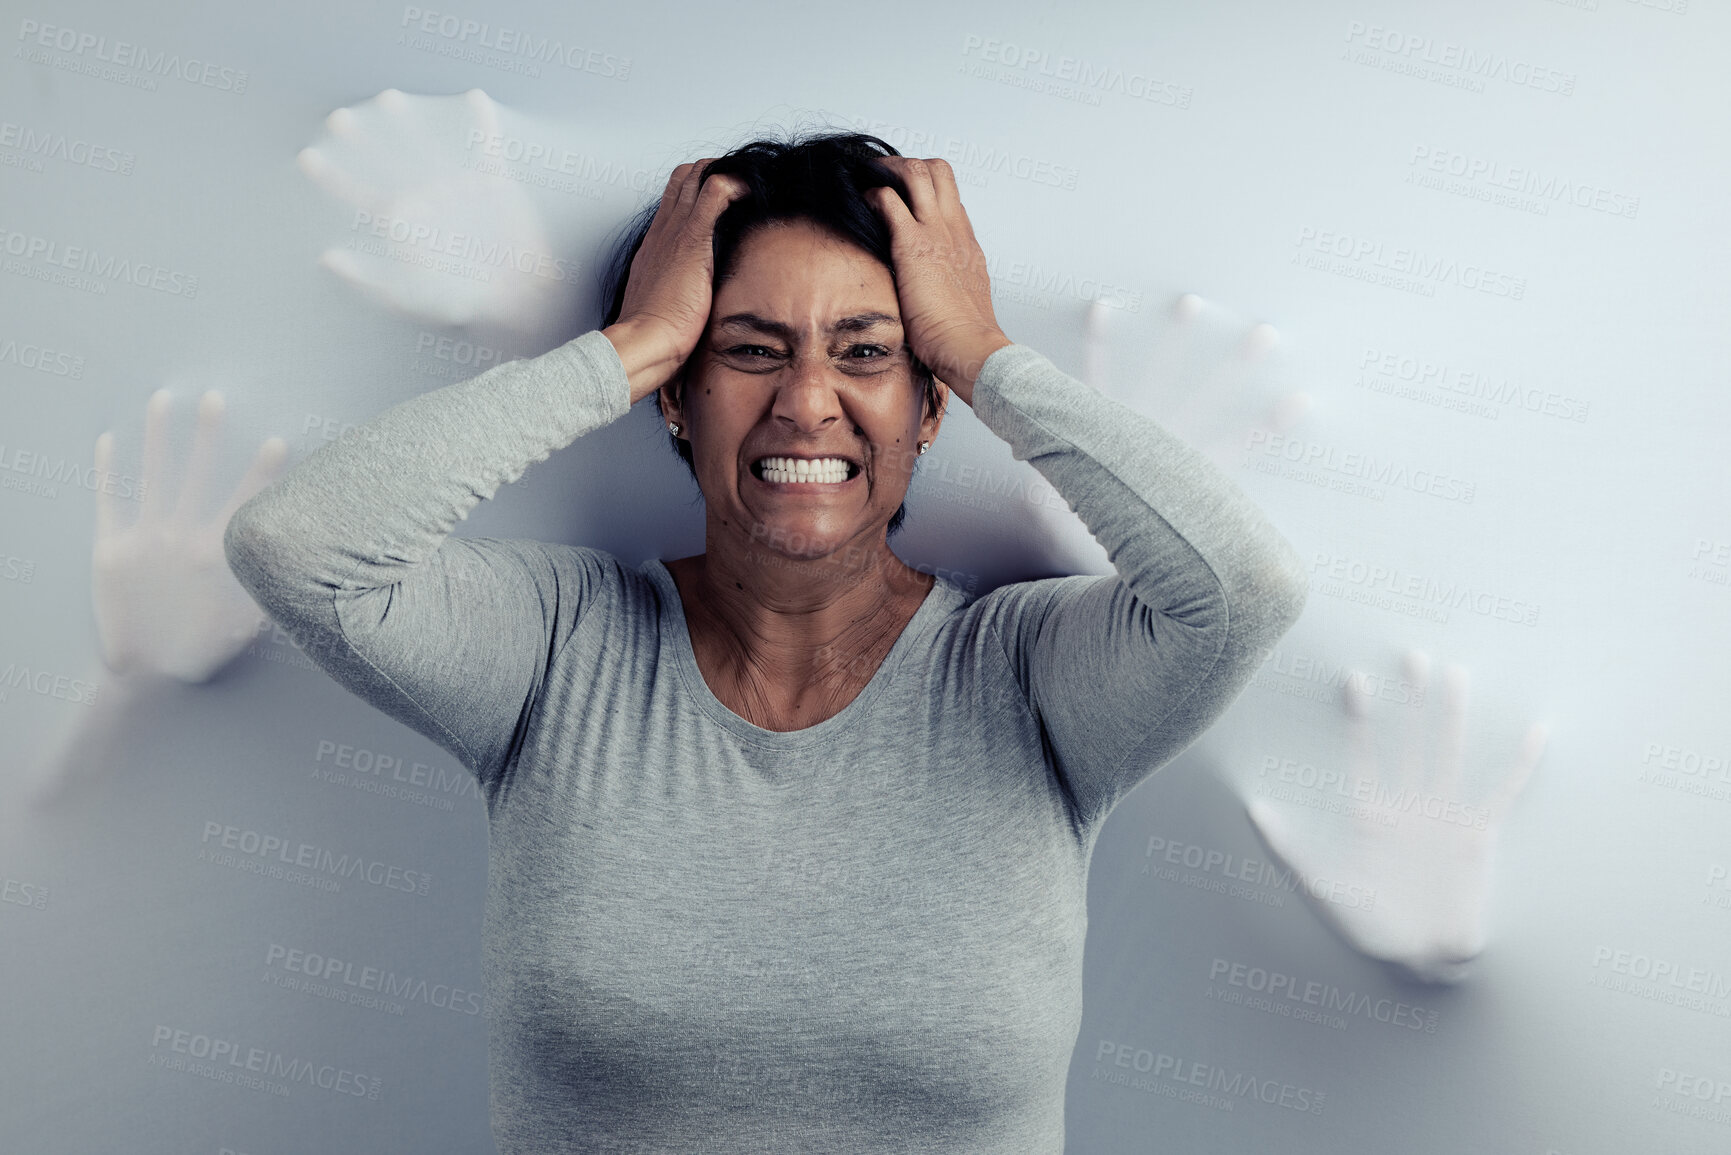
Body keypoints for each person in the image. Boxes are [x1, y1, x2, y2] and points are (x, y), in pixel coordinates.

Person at [223, 131, 1308, 1154]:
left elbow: (1240, 591)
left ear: (928, 408)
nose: (806, 402)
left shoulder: (1028, 676)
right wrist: (627, 346)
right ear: (678, 401)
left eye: (867, 353)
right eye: (749, 350)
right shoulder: (556, 649)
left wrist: (981, 353)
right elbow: (300, 546)